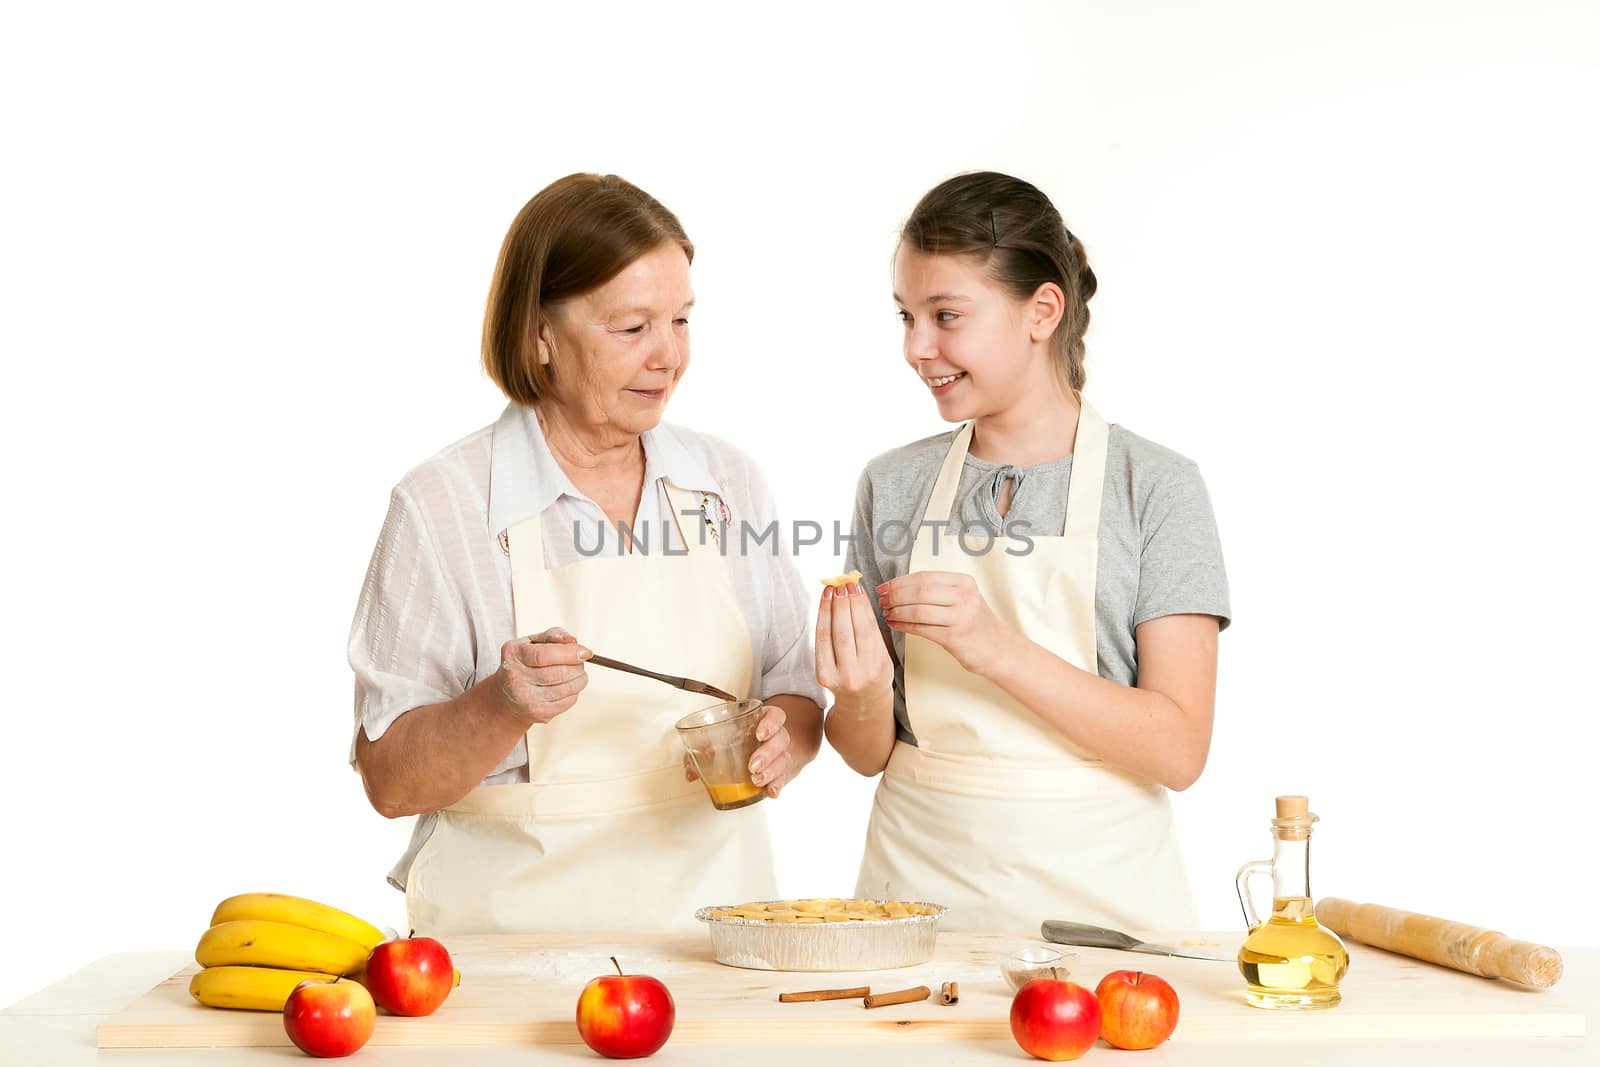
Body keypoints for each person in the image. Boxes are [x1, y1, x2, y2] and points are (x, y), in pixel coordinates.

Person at [348, 173, 824, 936]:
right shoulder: (444, 505)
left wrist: (780, 742)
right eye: (632, 328)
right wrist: (500, 704)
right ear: (541, 335)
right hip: (509, 951)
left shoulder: (727, 483)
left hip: (722, 934)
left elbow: (796, 692)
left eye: (681, 319)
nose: (669, 355)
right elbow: (391, 780)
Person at [817, 171, 1230, 933]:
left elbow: (1179, 748)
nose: (917, 347)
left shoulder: (1157, 487)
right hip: (914, 894)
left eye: (946, 315)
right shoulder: (894, 483)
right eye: (906, 316)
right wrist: (863, 697)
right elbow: (867, 751)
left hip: (1104, 904)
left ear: (1043, 310)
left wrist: (992, 647)